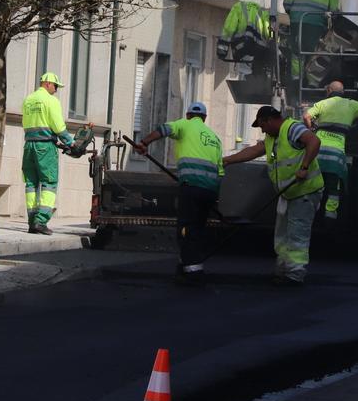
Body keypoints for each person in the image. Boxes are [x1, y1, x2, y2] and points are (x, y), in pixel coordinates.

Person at [223, 105, 324, 286]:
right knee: (282, 235)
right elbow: (254, 151)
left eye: (262, 125)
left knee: (297, 234)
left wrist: (304, 167)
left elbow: (314, 141)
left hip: (305, 191)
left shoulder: (292, 128)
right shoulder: (272, 137)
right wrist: (227, 160)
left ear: (269, 120)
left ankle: (295, 275)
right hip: (288, 193)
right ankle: (283, 270)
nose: (262, 130)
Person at [133, 101, 224, 284]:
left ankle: (193, 272)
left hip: (191, 186)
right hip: (210, 190)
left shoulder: (185, 124)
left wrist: (143, 143)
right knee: (198, 228)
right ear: (204, 118)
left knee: (186, 229)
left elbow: (163, 129)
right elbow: (220, 171)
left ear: (188, 115)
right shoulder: (215, 138)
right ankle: (186, 266)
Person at [304, 80, 358, 221]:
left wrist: (311, 130)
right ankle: (330, 218)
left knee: (314, 185)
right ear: (343, 92)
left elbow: (306, 116)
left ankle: (312, 215)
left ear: (329, 91)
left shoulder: (322, 104)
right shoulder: (351, 104)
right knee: (334, 187)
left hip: (317, 152)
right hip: (336, 155)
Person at [21, 72, 75, 234]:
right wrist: (71, 143)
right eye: (56, 86)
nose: (56, 90)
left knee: (31, 184)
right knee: (49, 183)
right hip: (45, 148)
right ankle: (41, 220)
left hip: (29, 146)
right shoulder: (51, 101)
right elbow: (58, 126)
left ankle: (32, 221)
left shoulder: (28, 100)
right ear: (48, 84)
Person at [283, 0, 339, 78]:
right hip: (317, 26)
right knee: (314, 53)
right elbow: (334, 11)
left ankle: (296, 79)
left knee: (297, 52)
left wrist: (292, 14)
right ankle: (311, 80)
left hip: (298, 23)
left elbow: (287, 3)